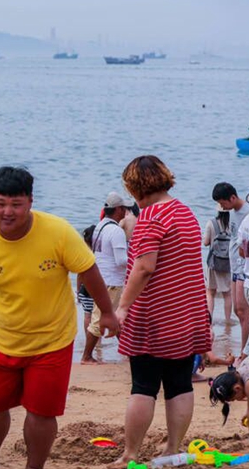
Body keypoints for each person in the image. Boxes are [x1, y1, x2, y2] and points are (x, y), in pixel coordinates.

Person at [0, 166, 118, 469]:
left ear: (30, 201)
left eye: (16, 204)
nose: (7, 212)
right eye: (0, 203)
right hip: (2, 340)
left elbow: (88, 270)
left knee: (41, 413)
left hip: (51, 342)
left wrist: (107, 312)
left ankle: (35, 466)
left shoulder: (57, 232)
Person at [111, 155, 211, 466]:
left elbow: (144, 267)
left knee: (143, 386)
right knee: (179, 383)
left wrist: (122, 309)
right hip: (186, 312)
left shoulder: (151, 217)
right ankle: (172, 449)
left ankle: (130, 455)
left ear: (134, 187)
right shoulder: (184, 212)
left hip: (154, 316)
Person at [81, 192, 131, 364]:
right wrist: (137, 260)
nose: (126, 212)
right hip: (112, 281)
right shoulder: (116, 231)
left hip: (100, 278)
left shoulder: (100, 227)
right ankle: (86, 356)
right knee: (100, 319)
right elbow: (121, 261)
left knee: (116, 318)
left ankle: (131, 354)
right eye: (124, 209)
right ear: (118, 210)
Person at [213, 182, 249, 350]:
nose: (222, 206)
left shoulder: (246, 211)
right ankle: (243, 349)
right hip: (234, 266)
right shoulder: (233, 213)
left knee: (243, 310)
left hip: (244, 267)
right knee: (238, 311)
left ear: (233, 197)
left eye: (223, 203)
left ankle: (244, 351)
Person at [204, 205, 233, 322]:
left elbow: (206, 242)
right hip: (227, 263)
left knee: (210, 292)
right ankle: (228, 320)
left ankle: (209, 321)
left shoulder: (211, 223)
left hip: (213, 263)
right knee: (227, 294)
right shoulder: (233, 225)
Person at [209, 360, 249, 426]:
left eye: (235, 399)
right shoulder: (242, 370)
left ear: (237, 388)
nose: (238, 400)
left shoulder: (247, 384)